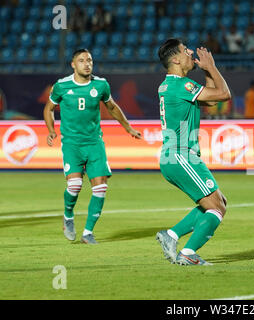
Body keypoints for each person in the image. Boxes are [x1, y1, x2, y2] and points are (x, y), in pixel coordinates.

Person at [43, 48, 141, 244]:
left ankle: (88, 232)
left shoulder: (101, 85)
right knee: (75, 185)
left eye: (89, 60)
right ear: (73, 64)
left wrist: (128, 128)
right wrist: (51, 130)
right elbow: (49, 108)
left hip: (94, 143)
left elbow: (112, 107)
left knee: (101, 189)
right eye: (81, 60)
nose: (87, 64)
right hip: (72, 144)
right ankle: (68, 216)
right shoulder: (62, 86)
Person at [156, 39, 230, 266]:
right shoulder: (182, 86)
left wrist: (207, 71)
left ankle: (172, 235)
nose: (190, 52)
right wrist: (211, 67)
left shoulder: (169, 85)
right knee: (217, 207)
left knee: (218, 202)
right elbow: (223, 94)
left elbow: (211, 100)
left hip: (175, 156)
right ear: (176, 59)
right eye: (185, 50)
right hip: (180, 155)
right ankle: (188, 253)